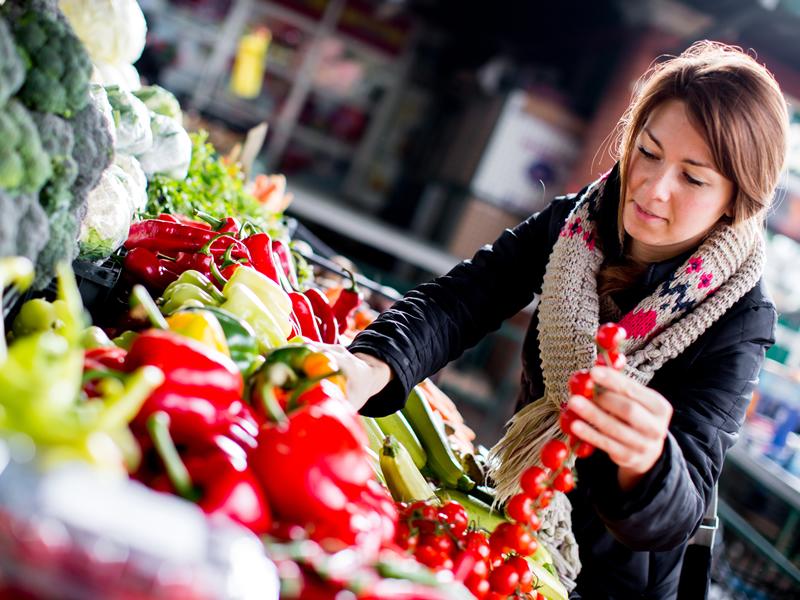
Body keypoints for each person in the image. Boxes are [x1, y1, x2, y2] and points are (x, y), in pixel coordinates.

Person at [325, 41, 788, 599]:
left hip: (617, 584)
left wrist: (649, 462)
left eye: (692, 179)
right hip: (515, 530)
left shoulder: (740, 316)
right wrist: (370, 366)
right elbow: (463, 300)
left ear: (735, 202)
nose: (652, 187)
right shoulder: (576, 225)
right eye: (648, 150)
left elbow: (678, 511)